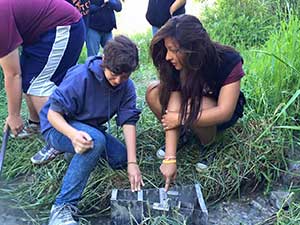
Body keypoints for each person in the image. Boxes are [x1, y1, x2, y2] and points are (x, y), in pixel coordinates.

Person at [40, 35, 143, 225]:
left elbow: (128, 121)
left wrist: (132, 162)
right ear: (104, 61)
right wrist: (72, 135)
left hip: (88, 127)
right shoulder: (81, 77)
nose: (118, 80)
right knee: (95, 142)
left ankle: (74, 153)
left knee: (120, 157)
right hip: (57, 126)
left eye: (125, 76)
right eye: (114, 74)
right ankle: (62, 207)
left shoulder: (126, 86)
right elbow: (52, 115)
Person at [146, 14, 246, 191]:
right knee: (153, 92)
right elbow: (173, 107)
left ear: (193, 49)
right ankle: (182, 135)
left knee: (196, 105)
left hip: (213, 112)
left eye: (173, 50)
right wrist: (170, 158)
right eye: (167, 49)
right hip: (187, 108)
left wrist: (181, 118)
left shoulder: (228, 60)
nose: (168, 56)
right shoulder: (173, 64)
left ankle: (208, 144)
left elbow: (225, 111)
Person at [0, 0, 85, 162]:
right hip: (43, 33)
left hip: (64, 26)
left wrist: (14, 115)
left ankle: (59, 139)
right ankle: (38, 124)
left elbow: (12, 74)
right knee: (29, 79)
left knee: (39, 84)